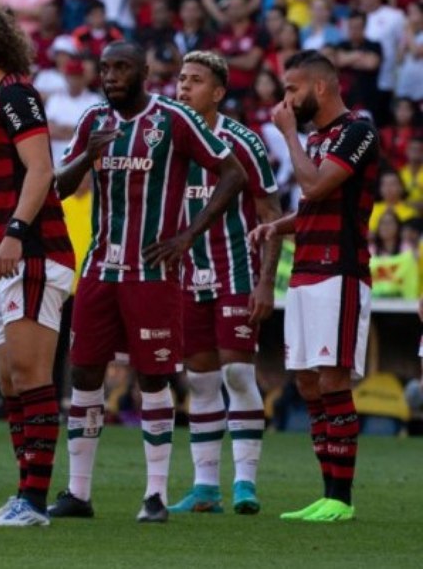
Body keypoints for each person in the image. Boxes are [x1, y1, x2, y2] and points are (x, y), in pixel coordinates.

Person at [51, 40, 247, 523]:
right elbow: (60, 186)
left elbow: (232, 173)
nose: (111, 76)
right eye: (105, 68)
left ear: (144, 71)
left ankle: (155, 495)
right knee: (84, 374)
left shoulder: (174, 120)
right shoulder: (93, 121)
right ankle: (78, 493)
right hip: (98, 268)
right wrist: (85, 158)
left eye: (121, 68)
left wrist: (187, 234)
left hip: (154, 273)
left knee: (153, 377)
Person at [0, 1, 75, 528]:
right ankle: (24, 490)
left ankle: (34, 501)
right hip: (13, 258)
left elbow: (42, 169)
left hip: (38, 252)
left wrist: (15, 236)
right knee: (8, 378)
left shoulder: (19, 96)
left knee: (30, 374)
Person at [249, 51, 379, 524]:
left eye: (292, 89)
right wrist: (275, 228)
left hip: (339, 270)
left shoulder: (357, 131)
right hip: (304, 269)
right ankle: (326, 491)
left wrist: (287, 135)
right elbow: (310, 206)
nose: (286, 99)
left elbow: (317, 187)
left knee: (332, 378)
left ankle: (341, 498)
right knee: (306, 382)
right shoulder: (319, 138)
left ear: (320, 88)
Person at [167, 52, 282, 516]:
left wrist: (267, 283)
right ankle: (206, 486)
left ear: (217, 93)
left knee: (237, 372)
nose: (183, 87)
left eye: (195, 81)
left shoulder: (243, 142)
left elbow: (271, 215)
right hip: (187, 277)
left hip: (236, 272)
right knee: (201, 380)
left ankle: (246, 484)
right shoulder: (170, 140)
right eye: (180, 79)